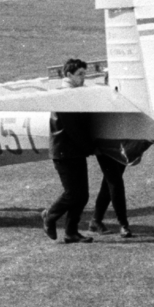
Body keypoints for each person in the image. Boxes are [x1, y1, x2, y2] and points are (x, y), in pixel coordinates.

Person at [41, 59, 95, 243]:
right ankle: (50, 216)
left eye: (84, 74)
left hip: (73, 151)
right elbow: (73, 128)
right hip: (64, 151)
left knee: (82, 195)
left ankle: (71, 232)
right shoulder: (65, 96)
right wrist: (91, 148)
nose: (83, 78)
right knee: (72, 193)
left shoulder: (74, 93)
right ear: (69, 75)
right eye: (80, 74)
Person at [89, 140, 149, 238]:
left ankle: (96, 220)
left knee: (110, 181)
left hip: (121, 142)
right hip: (104, 142)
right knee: (115, 182)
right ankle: (123, 224)